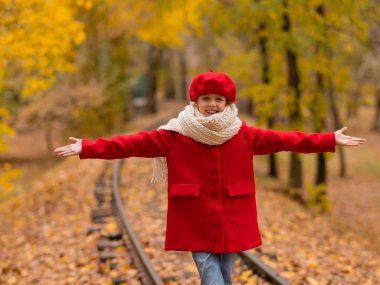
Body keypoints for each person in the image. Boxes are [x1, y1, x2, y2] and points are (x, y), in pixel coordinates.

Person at [54, 70, 365, 285]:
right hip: (194, 214)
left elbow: (286, 139)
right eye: (206, 99)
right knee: (207, 268)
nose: (213, 105)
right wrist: (87, 147)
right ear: (195, 103)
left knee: (225, 272)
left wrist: (327, 139)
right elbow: (130, 144)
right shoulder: (174, 135)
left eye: (219, 99)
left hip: (233, 212)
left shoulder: (244, 134)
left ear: (228, 103)